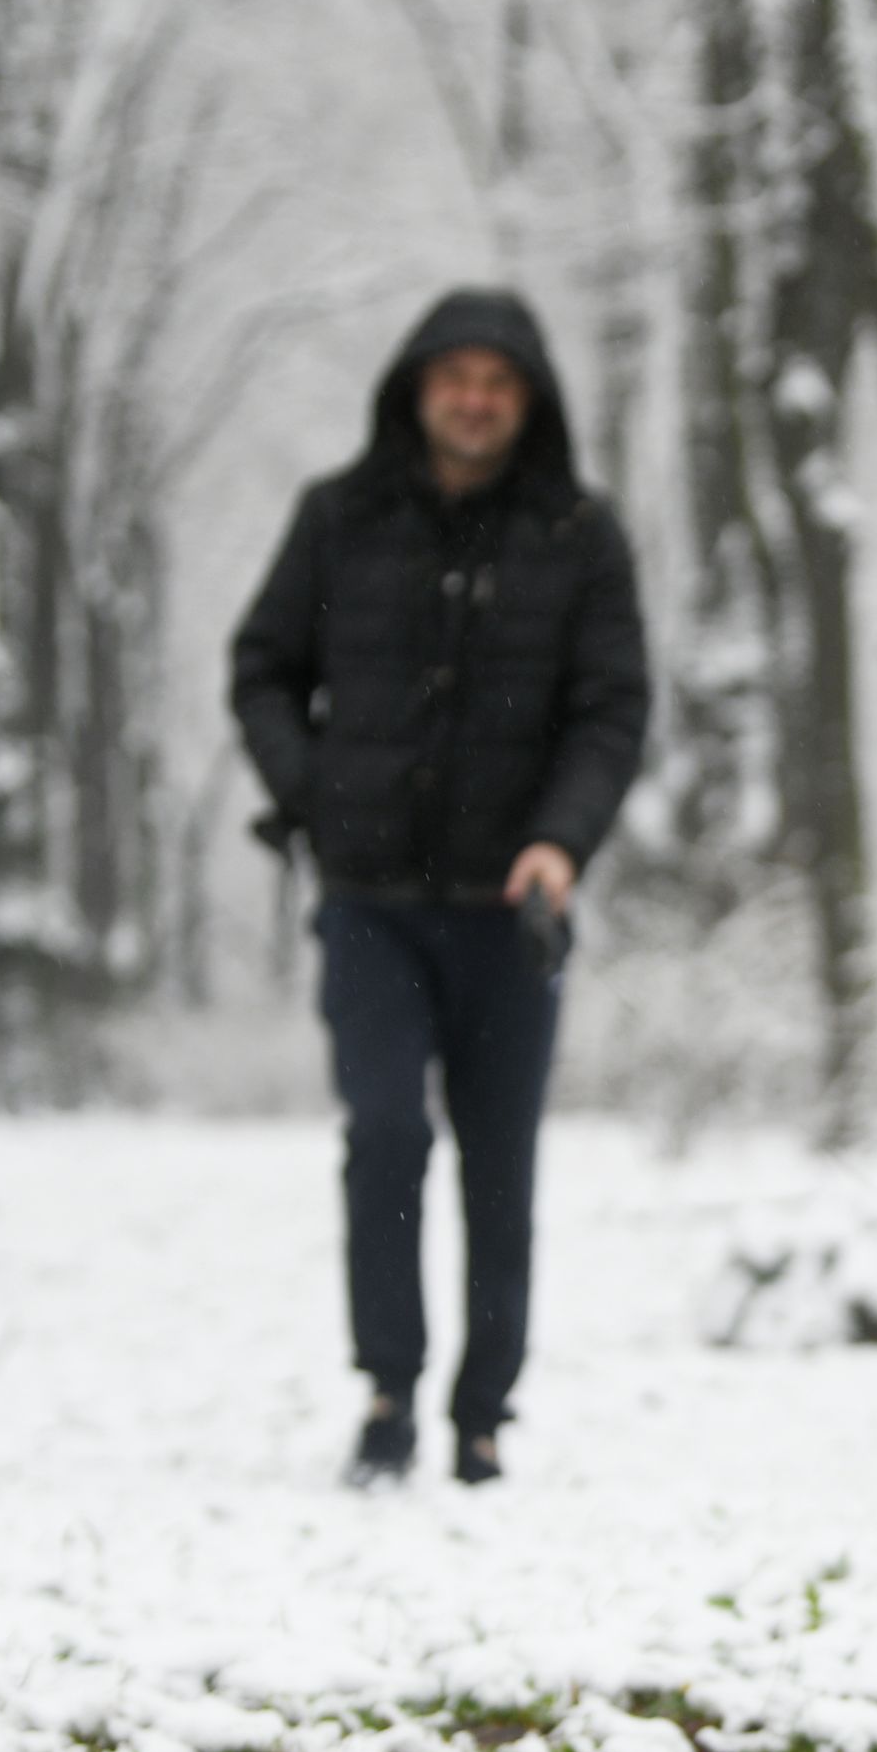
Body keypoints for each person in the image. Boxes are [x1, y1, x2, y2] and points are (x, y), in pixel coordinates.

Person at [230, 290, 650, 1486]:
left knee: (500, 1159)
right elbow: (262, 670)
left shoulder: (580, 536)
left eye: (499, 381)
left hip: (512, 907)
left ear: (531, 401)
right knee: (387, 1131)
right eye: (454, 377)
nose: (475, 400)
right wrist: (312, 793)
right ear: (416, 390)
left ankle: (482, 1414)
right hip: (366, 897)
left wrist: (561, 844)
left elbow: (612, 711)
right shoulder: (339, 521)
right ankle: (387, 1390)